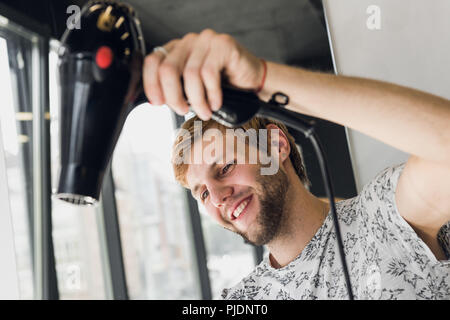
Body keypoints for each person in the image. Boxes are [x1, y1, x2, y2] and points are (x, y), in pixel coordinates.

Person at [143, 29, 450, 299]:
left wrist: (263, 79)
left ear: (276, 146)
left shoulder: (380, 217)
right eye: (203, 194)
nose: (218, 197)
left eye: (224, 167)